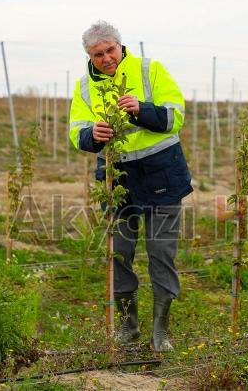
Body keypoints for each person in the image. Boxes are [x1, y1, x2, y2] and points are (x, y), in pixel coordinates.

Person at [68, 21, 192, 352]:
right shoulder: (84, 88)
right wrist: (91, 135)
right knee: (119, 254)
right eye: (98, 54)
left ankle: (161, 332)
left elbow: (175, 116)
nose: (107, 58)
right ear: (89, 56)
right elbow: (76, 130)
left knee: (161, 254)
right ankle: (127, 327)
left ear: (120, 46)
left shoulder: (151, 70)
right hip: (116, 182)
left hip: (161, 177)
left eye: (110, 50)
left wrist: (141, 110)